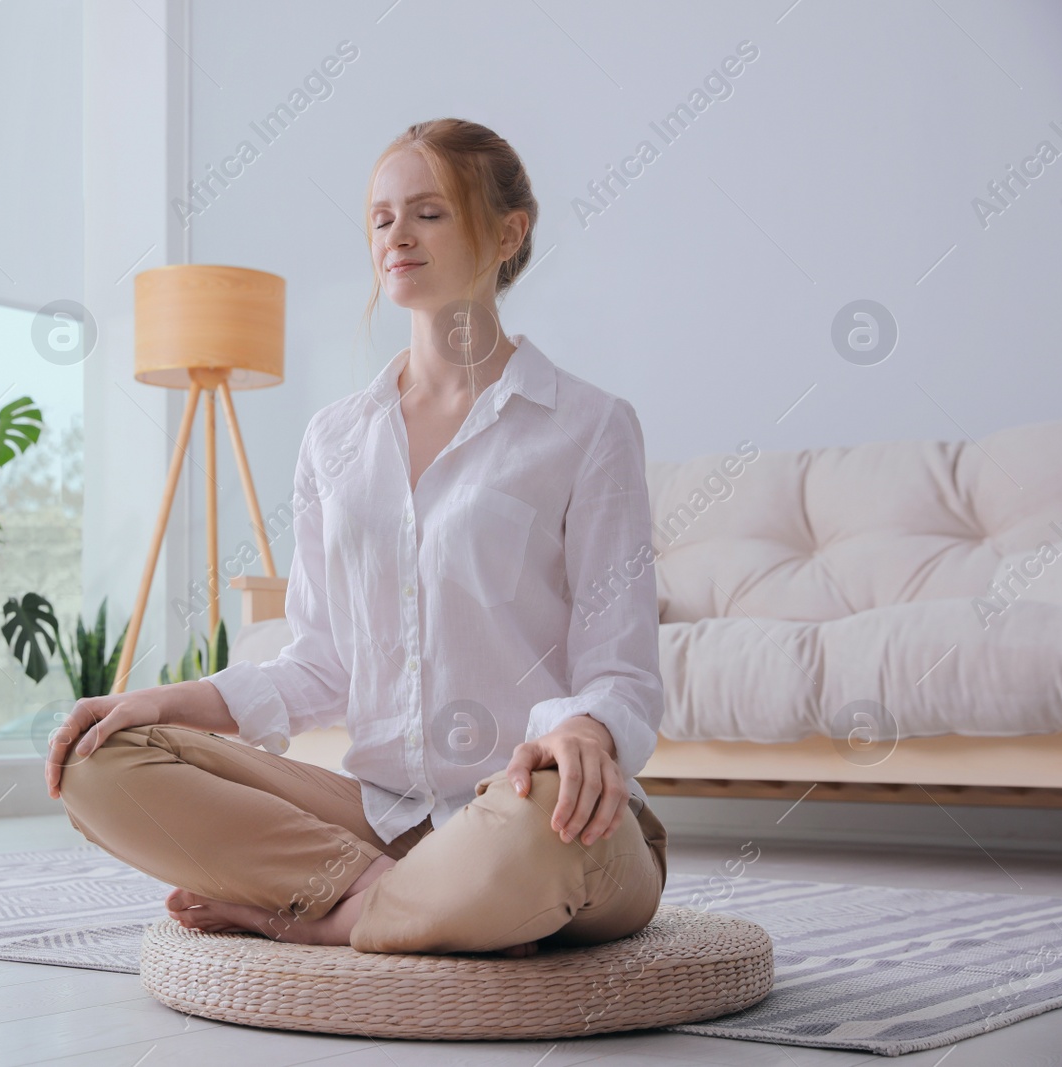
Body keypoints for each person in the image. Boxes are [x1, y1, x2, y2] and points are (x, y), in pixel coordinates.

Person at [45, 117, 667, 957]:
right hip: (381, 818)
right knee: (99, 759)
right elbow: (319, 665)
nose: (396, 236)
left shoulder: (589, 427)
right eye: (381, 217)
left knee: (538, 828)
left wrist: (583, 733)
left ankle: (306, 913)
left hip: (534, 813)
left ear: (509, 231)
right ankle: (398, 904)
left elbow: (620, 672)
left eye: (429, 213)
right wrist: (160, 701)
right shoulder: (335, 439)